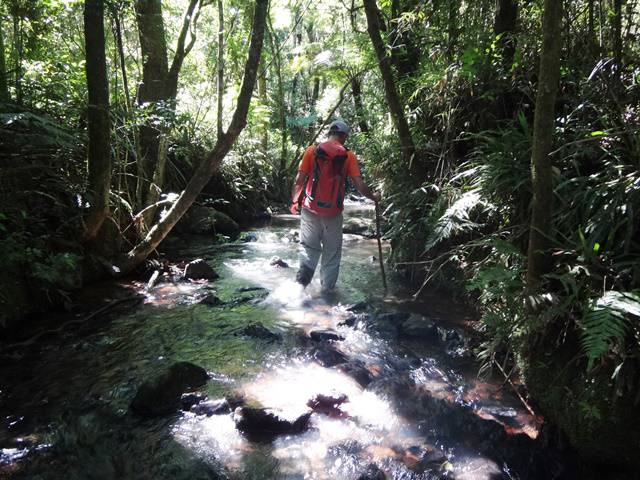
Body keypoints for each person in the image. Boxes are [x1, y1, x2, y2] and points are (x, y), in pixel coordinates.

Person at [290, 119, 381, 291]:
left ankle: (299, 289)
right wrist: (374, 197)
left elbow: (299, 181)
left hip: (310, 209)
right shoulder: (348, 155)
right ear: (344, 136)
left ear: (329, 132)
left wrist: (295, 201)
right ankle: (327, 295)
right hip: (333, 213)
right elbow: (360, 186)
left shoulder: (312, 150)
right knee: (331, 254)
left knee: (309, 249)